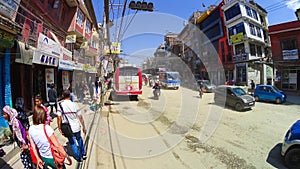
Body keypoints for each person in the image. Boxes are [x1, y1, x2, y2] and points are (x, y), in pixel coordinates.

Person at [57, 89, 87, 162]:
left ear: (62, 96)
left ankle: (79, 158)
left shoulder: (61, 105)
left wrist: (59, 127)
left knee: (72, 142)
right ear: (70, 96)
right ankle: (83, 153)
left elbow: (59, 117)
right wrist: (84, 127)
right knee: (79, 139)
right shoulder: (75, 105)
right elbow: (80, 117)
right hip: (76, 126)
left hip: (68, 128)